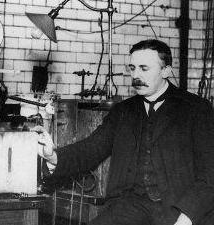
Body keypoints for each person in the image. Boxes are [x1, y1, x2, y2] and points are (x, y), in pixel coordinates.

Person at [36, 39, 214, 225]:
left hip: (180, 209)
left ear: (166, 71)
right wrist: (54, 157)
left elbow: (210, 174)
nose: (136, 75)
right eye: (132, 68)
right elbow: (91, 149)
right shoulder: (122, 111)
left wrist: (188, 217)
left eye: (144, 69)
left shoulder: (196, 109)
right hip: (130, 206)